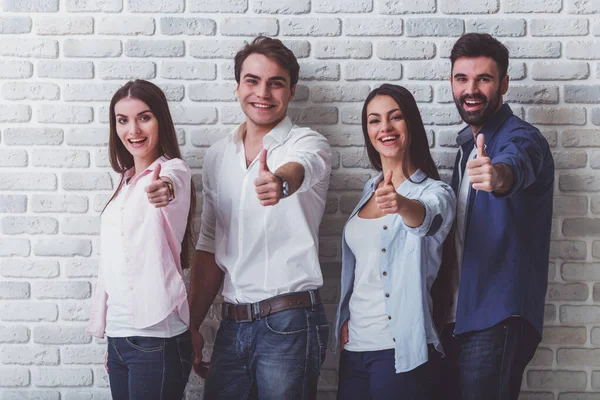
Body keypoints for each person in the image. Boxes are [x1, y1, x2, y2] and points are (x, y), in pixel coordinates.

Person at [188, 36, 332, 400]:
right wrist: (192, 323)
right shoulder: (218, 156)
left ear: (292, 90)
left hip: (290, 323)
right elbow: (209, 245)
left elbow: (304, 168)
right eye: (252, 80)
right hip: (232, 324)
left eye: (276, 82)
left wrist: (281, 183)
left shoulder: (308, 143)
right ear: (237, 87)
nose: (262, 92)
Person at [439, 33, 555, 400]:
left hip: (496, 317)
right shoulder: (465, 148)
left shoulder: (521, 138)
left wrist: (498, 176)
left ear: (503, 83)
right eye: (462, 79)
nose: (470, 90)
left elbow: (514, 166)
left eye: (483, 79)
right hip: (459, 318)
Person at [334, 84, 456, 400]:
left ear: (411, 124)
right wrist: (346, 314)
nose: (385, 128)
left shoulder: (435, 193)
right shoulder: (367, 192)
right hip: (355, 348)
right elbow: (364, 268)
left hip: (400, 351)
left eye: (395, 117)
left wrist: (401, 203)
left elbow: (427, 219)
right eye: (374, 120)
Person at [86, 80, 196, 400]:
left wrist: (166, 190)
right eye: (123, 120)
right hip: (120, 338)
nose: (133, 129)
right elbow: (112, 262)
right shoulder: (124, 182)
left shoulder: (173, 171)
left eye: (144, 117)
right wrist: (114, 339)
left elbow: (172, 186)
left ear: (161, 120)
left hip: (156, 340)